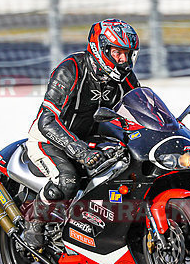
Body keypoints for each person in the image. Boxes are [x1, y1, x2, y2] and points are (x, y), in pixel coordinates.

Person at [23, 19, 140, 247]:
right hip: (49, 138)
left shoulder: (123, 77)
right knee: (68, 179)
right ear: (100, 48)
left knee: (124, 166)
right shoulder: (71, 69)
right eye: (117, 52)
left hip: (89, 137)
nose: (123, 60)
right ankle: (35, 221)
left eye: (127, 53)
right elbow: (47, 121)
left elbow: (143, 105)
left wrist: (167, 126)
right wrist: (78, 150)